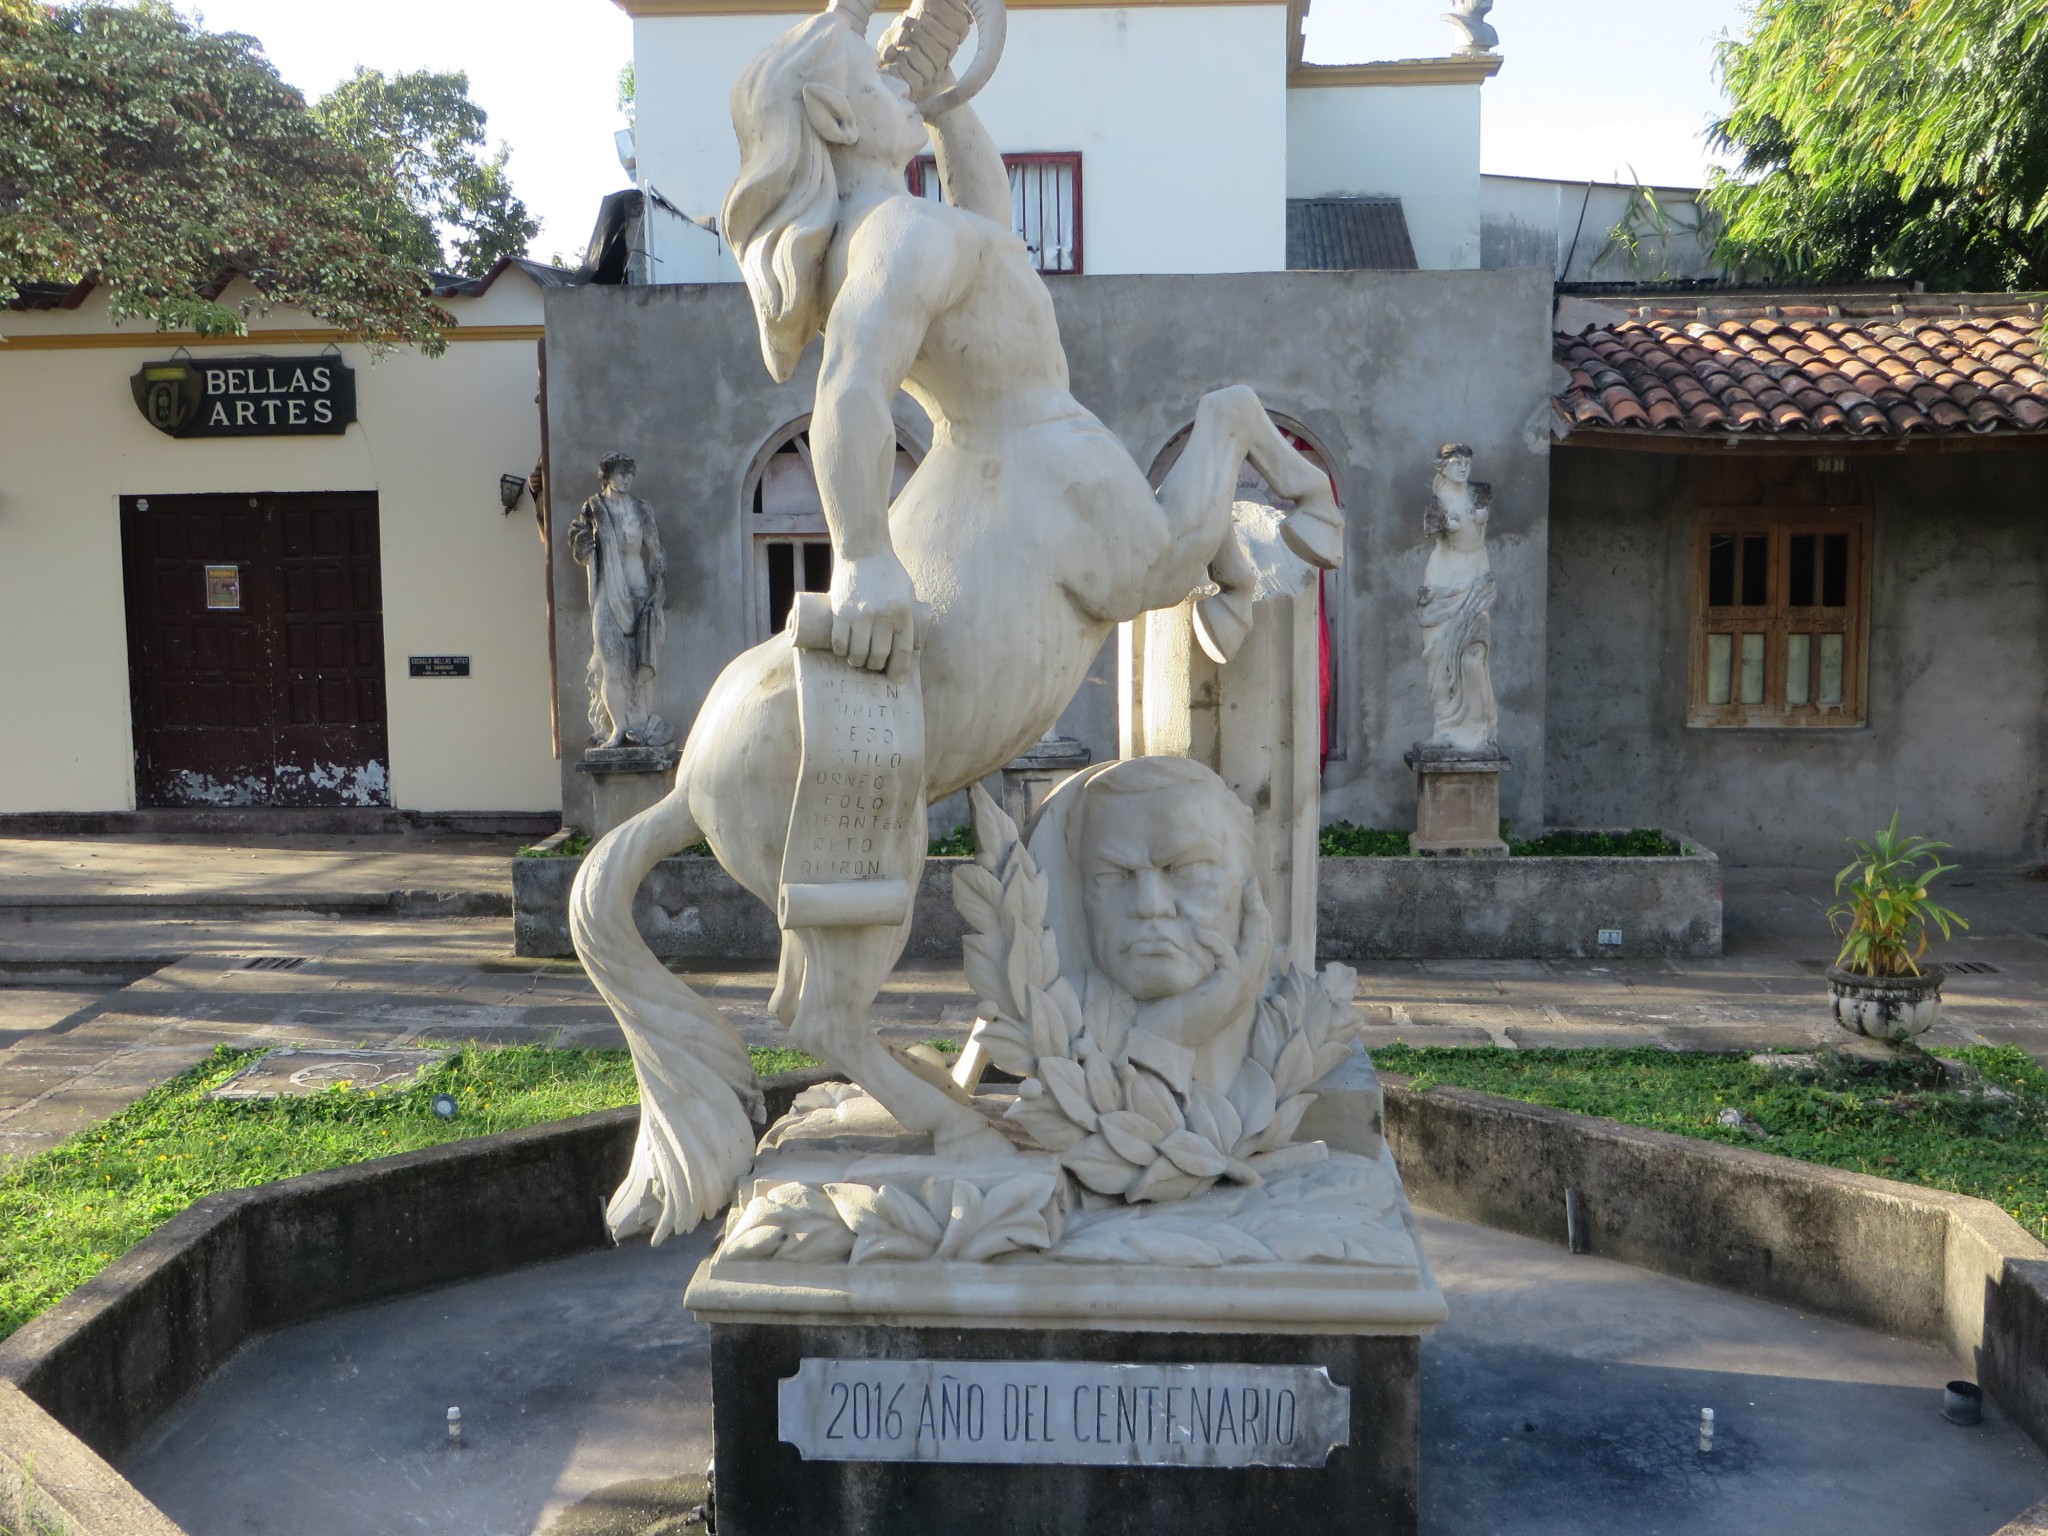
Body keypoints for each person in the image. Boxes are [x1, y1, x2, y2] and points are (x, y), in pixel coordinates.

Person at [569, 451, 672, 750]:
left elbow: (656, 550)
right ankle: (617, 729)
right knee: (611, 666)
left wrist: (659, 587)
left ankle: (638, 725)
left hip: (639, 592)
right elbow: (581, 549)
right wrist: (582, 547)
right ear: (607, 476)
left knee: (638, 665)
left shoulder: (642, 509)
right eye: (620, 473)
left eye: (630, 473)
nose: (626, 478)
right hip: (607, 591)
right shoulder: (593, 508)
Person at [1416, 443, 1499, 758]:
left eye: (1467, 461)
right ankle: (1445, 729)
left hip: (1476, 584)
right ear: (1442, 466)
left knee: (1474, 656)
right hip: (1441, 588)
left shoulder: (1480, 493)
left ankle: (1479, 730)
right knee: (1439, 659)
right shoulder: (1436, 504)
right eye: (1456, 462)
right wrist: (1447, 525)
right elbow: (1433, 530)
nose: (1463, 467)